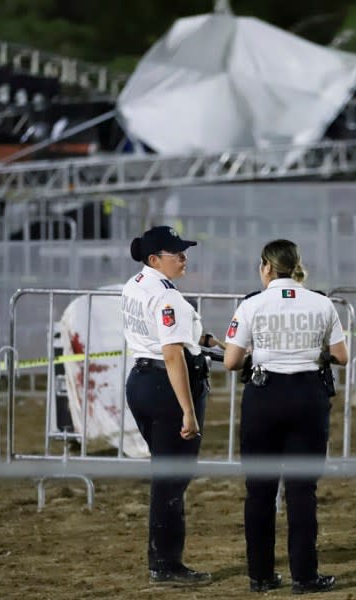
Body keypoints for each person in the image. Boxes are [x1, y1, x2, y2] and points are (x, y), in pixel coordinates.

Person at [224, 239, 348, 595]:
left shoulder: (251, 304)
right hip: (308, 397)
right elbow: (341, 356)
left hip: (264, 396)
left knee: (259, 491)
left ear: (266, 266)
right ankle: (305, 577)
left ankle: (260, 576)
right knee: (301, 491)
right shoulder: (322, 303)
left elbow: (232, 361)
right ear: (296, 265)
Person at [121, 225, 212, 587]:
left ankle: (162, 560)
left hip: (142, 381)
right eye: (176, 253)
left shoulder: (136, 284)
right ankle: (166, 564)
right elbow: (172, 354)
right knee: (172, 479)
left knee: (166, 475)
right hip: (165, 385)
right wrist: (188, 410)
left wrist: (204, 340)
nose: (183, 257)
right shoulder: (167, 296)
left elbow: (166, 336)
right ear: (155, 259)